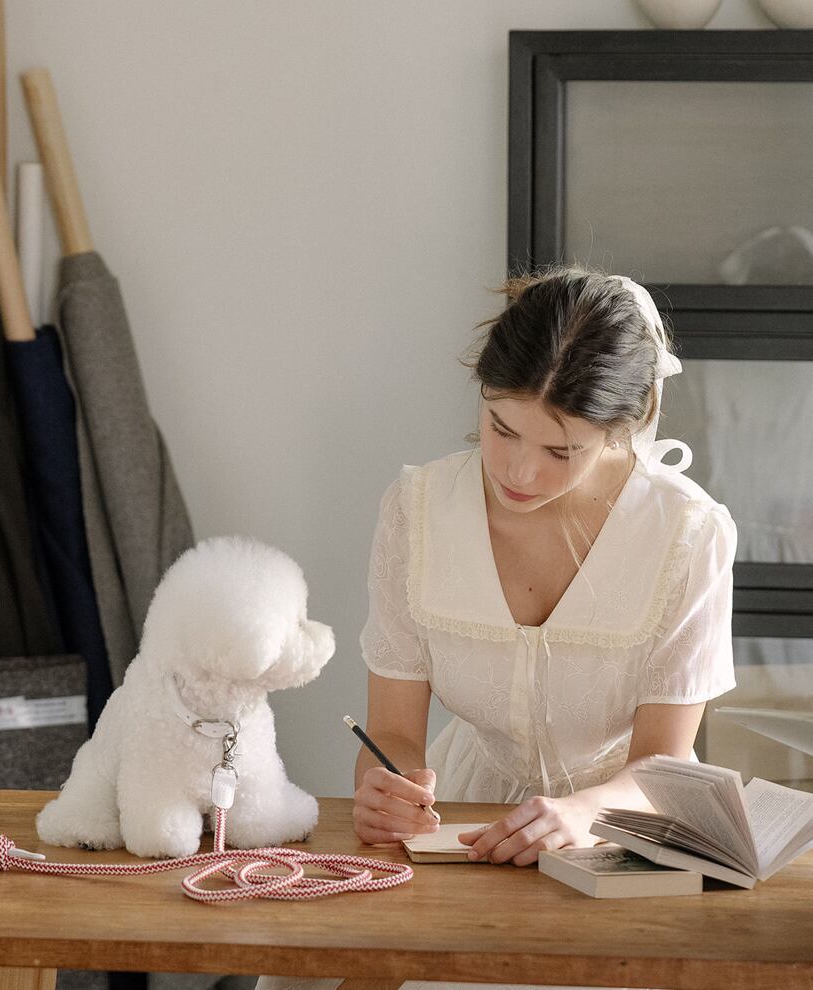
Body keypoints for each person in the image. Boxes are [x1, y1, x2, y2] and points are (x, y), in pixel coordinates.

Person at [257, 267, 737, 990]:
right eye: (500, 428)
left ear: (623, 428)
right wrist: (382, 789)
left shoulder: (687, 533)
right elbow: (392, 733)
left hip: (628, 822)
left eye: (560, 451)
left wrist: (582, 814)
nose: (518, 472)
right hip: (464, 818)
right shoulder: (416, 512)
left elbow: (662, 766)